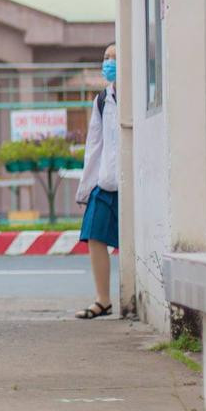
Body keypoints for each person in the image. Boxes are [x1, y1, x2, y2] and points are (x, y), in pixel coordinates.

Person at [74, 44, 120, 320]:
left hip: (132, 184)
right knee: (94, 235)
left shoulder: (139, 95)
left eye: (115, 57)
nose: (109, 63)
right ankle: (103, 300)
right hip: (105, 182)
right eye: (106, 58)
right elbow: (94, 146)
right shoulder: (102, 100)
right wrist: (86, 187)